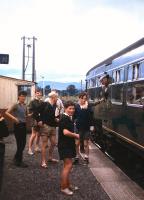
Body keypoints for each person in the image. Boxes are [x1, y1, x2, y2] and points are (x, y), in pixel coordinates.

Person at [58, 101, 79, 195]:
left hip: (67, 144)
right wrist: (76, 135)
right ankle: (63, 187)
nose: (72, 110)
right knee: (68, 166)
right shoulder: (65, 118)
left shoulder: (67, 117)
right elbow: (65, 132)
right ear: (65, 108)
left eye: (73, 108)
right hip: (65, 145)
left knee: (67, 166)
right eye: (70, 108)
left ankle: (67, 184)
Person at [74, 92, 102, 164]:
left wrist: (92, 126)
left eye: (86, 99)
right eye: (83, 99)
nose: (84, 100)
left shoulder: (88, 105)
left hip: (86, 127)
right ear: (79, 98)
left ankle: (86, 157)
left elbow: (91, 117)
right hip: (78, 127)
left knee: (86, 144)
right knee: (77, 143)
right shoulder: (76, 106)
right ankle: (76, 157)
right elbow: (74, 116)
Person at [5, 91, 28, 167]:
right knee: (20, 144)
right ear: (18, 96)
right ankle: (19, 161)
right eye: (22, 96)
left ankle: (16, 158)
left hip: (24, 125)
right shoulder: (16, 104)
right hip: (18, 126)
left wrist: (34, 113)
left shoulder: (25, 105)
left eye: (24, 96)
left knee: (23, 143)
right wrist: (14, 118)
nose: (23, 97)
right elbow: (7, 112)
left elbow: (26, 115)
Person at [39, 92, 59, 168]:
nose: (57, 98)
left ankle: (50, 158)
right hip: (45, 126)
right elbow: (36, 112)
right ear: (53, 97)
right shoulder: (44, 104)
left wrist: (56, 119)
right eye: (56, 97)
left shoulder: (55, 106)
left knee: (53, 143)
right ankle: (43, 161)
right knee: (44, 144)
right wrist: (39, 120)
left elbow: (53, 115)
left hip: (53, 127)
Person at [28, 89, 43, 155]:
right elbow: (30, 111)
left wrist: (41, 120)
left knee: (39, 134)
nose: (39, 94)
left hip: (40, 120)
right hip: (34, 119)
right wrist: (36, 119)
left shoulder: (42, 102)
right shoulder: (32, 102)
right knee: (33, 134)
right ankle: (29, 149)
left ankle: (36, 147)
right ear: (35, 94)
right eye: (38, 93)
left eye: (40, 94)